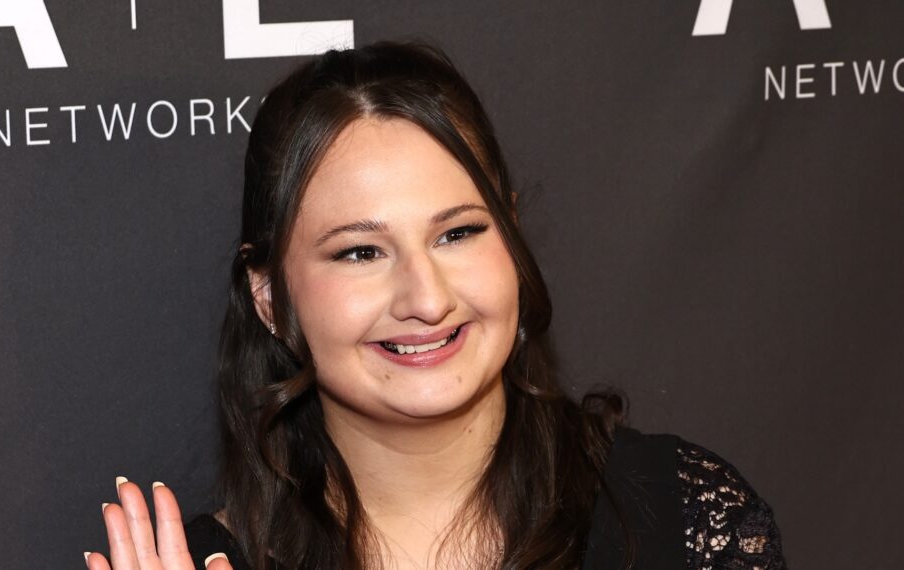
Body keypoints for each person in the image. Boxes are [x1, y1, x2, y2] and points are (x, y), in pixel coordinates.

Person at [83, 41, 786, 570]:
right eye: (360, 251)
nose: (426, 297)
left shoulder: (683, 519)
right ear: (269, 296)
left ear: (509, 239)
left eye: (457, 233)